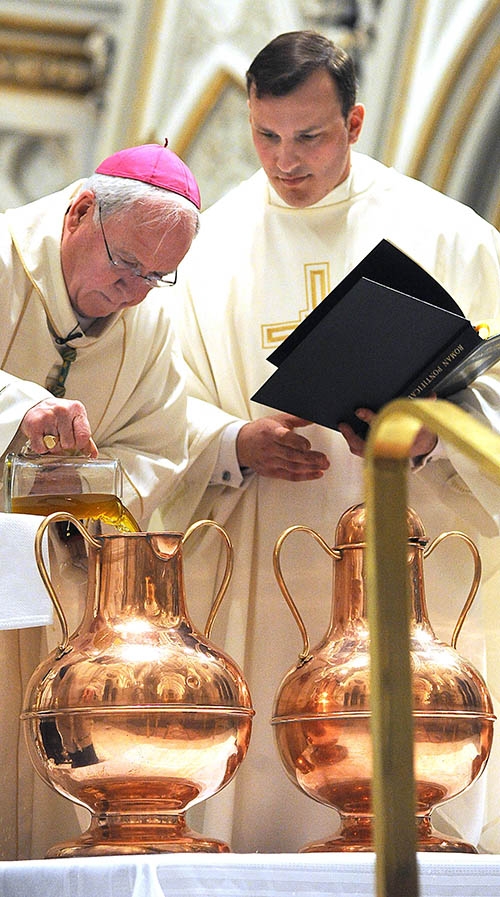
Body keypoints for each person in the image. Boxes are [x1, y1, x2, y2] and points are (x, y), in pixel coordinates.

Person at [164, 31, 500, 854]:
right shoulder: (207, 247)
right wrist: (231, 440)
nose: (286, 162)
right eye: (266, 136)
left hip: (419, 550)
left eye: (310, 136)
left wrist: (436, 435)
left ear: (353, 122)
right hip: (263, 547)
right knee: (268, 815)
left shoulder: (449, 235)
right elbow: (155, 401)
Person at [0, 142, 221, 860]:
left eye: (158, 277)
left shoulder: (150, 327)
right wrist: (17, 416)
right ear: (80, 211)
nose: (135, 292)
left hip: (59, 596)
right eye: (125, 265)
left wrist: (88, 478)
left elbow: (161, 449)